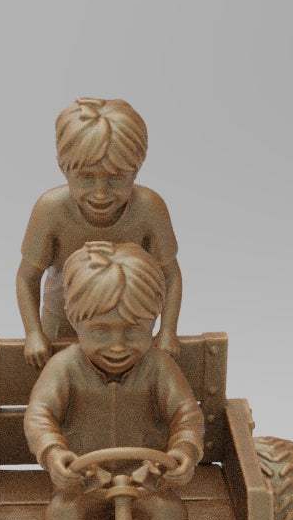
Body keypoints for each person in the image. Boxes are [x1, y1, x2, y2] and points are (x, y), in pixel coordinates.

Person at [23, 242, 214, 520]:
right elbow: (40, 415)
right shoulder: (65, 367)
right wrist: (54, 454)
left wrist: (184, 450)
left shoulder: (159, 367)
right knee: (62, 518)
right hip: (85, 483)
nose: (117, 344)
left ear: (154, 323)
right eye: (101, 331)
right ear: (75, 320)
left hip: (146, 481)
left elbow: (185, 414)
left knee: (169, 517)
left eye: (134, 330)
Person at [16, 98, 184, 369]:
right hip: (62, 327)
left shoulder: (150, 209)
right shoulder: (50, 210)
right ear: (64, 168)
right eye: (86, 177)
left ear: (136, 169)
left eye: (116, 177)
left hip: (128, 333)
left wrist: (167, 331)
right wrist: (34, 334)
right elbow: (27, 278)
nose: (101, 193)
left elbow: (171, 275)